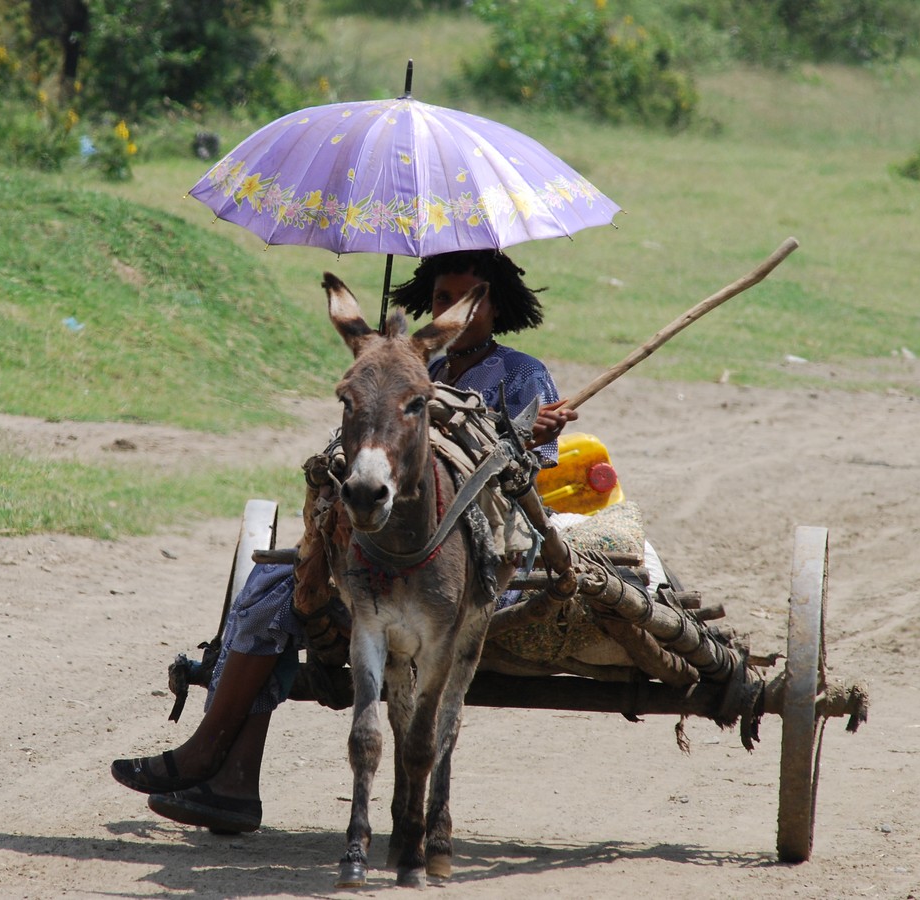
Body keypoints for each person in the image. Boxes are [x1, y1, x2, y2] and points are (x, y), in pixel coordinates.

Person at [109, 249, 578, 834]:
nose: (458, 309)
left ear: (494, 304)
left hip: (465, 559)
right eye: (442, 297)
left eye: (472, 298)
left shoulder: (521, 373)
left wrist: (524, 432)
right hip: (371, 543)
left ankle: (214, 765)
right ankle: (225, 775)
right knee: (273, 587)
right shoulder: (389, 362)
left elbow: (530, 477)